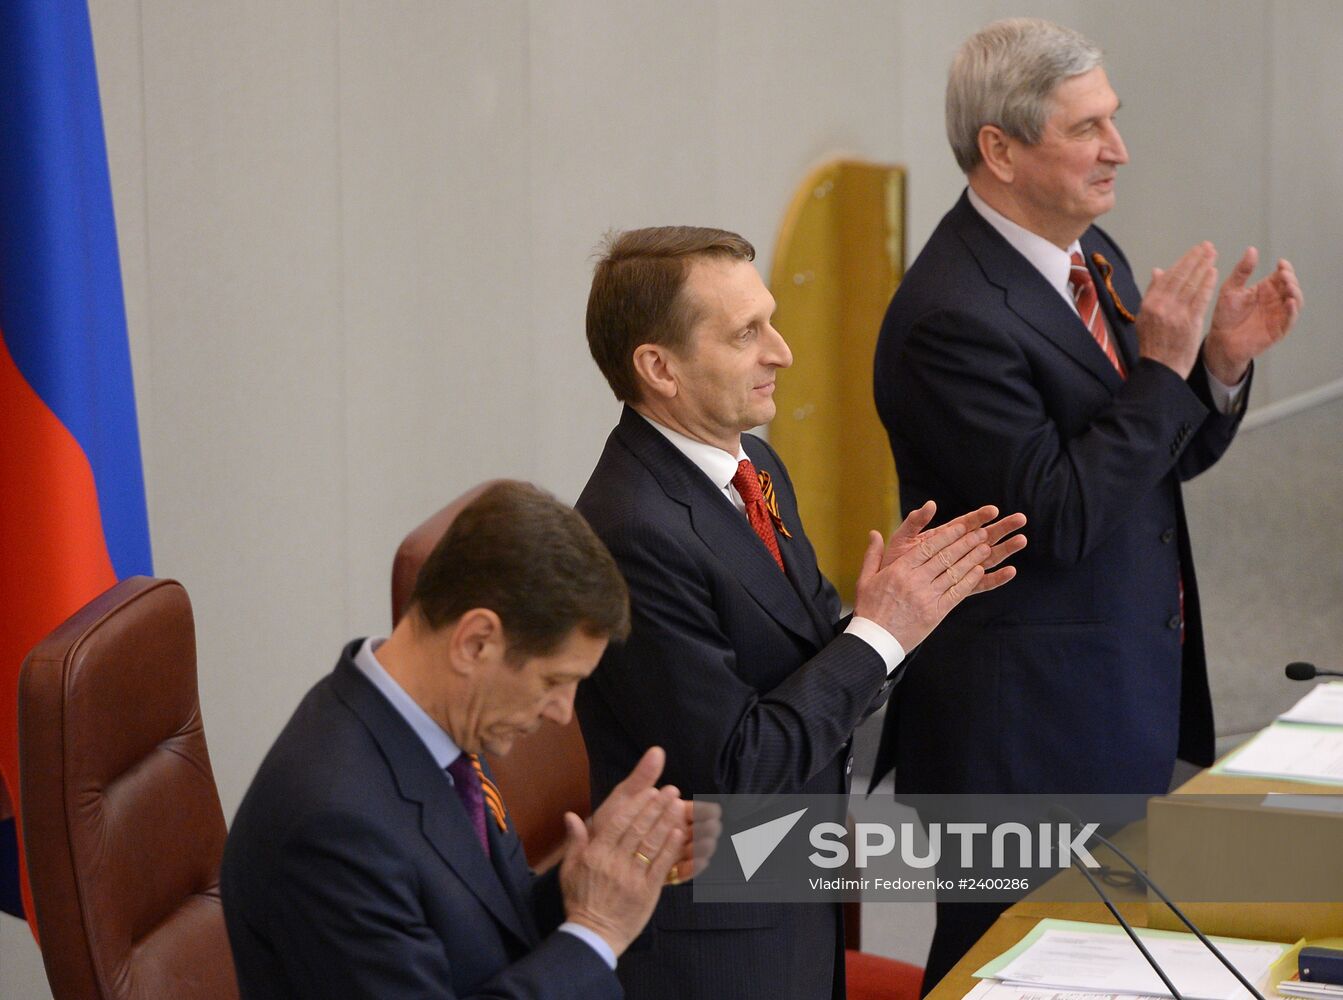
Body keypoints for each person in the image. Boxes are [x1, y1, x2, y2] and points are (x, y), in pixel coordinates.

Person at [868, 17, 1304, 990]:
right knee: (1004, 967)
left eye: (1112, 119)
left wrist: (1214, 365)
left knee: (1095, 963)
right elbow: (1057, 516)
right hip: (1016, 732)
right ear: (1000, 150)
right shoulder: (948, 318)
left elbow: (1140, 464)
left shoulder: (1084, 249)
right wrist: (1161, 367)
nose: (1119, 149)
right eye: (1086, 129)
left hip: (1107, 694)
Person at [575, 226, 1028, 999]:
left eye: (771, 320)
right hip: (713, 949)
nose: (781, 352)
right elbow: (735, 768)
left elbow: (820, 655)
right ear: (659, 368)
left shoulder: (752, 465)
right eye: (746, 333)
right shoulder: (631, 531)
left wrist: (906, 610)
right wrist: (881, 630)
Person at [222, 481, 718, 1000]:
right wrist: (595, 932)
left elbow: (487, 923)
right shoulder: (332, 828)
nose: (563, 713)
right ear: (476, 642)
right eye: (553, 681)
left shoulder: (432, 735)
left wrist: (593, 875)